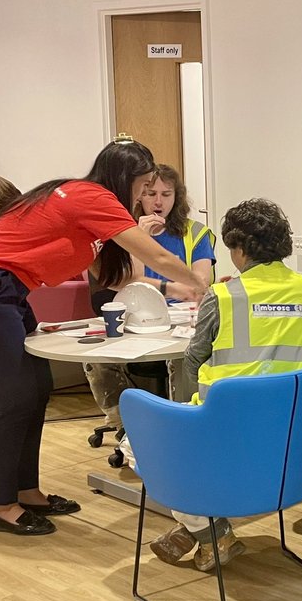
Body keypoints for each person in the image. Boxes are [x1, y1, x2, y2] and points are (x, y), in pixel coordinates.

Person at [0, 139, 208, 536]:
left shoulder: (87, 204)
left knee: (36, 390)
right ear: (127, 178)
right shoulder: (92, 197)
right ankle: (0, 505)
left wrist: (177, 291)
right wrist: (204, 285)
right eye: (144, 185)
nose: (145, 195)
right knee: (16, 399)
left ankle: (27, 491)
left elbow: (118, 276)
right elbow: (160, 257)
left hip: (8, 290)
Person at [148, 198, 302, 571]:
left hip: (231, 445)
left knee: (147, 444)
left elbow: (192, 361)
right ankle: (201, 536)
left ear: (239, 250)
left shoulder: (224, 296)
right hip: (295, 451)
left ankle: (212, 534)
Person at [83, 164, 216, 429]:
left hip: (180, 319)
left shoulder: (196, 232)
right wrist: (139, 237)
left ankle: (180, 424)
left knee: (183, 355)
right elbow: (132, 278)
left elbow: (203, 281)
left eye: (166, 194)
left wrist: (181, 289)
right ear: (139, 196)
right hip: (137, 318)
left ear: (177, 197)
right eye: (150, 193)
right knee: (95, 358)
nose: (158, 202)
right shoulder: (121, 232)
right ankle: (126, 425)